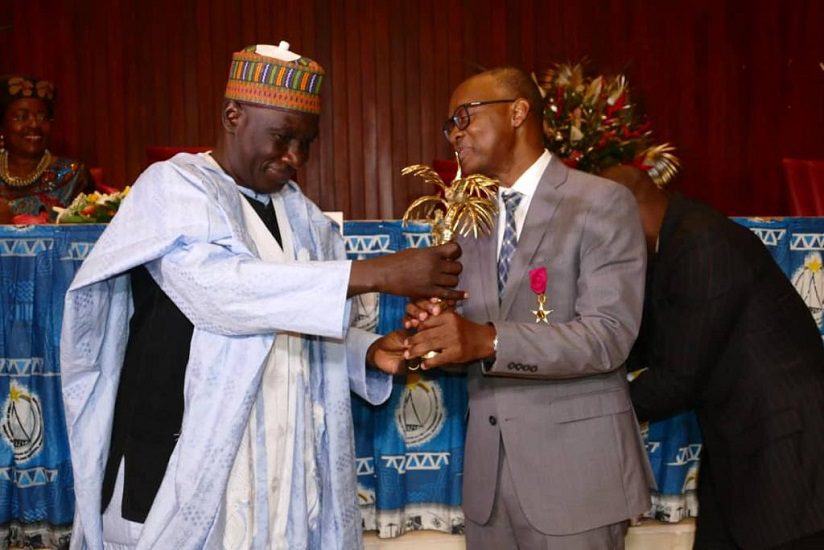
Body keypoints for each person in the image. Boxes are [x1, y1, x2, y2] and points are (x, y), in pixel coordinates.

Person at [60, 42, 465, 549]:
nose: (295, 157)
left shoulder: (305, 218)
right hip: (182, 454)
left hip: (281, 464)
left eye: (307, 142)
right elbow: (223, 294)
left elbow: (296, 329)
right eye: (283, 137)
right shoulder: (173, 188)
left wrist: (368, 351)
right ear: (234, 115)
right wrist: (376, 273)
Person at [404, 67, 653, 549]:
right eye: (449, 125)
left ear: (518, 112)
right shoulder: (471, 223)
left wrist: (486, 339)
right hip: (488, 486)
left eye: (463, 116)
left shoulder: (601, 202)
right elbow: (473, 343)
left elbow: (609, 336)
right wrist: (438, 336)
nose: (455, 133)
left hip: (576, 483)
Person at [601, 164, 824, 550]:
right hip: (741, 448)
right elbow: (645, 341)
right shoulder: (674, 243)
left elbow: (677, 380)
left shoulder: (701, 242)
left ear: (625, 215)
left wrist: (588, 410)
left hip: (784, 451)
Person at [0, 74, 92, 223]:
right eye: (22, 117)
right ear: (2, 126)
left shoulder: (73, 176)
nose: (34, 125)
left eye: (42, 117)